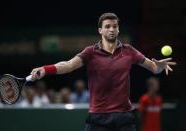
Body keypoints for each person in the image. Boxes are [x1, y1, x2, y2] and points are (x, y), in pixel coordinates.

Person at [30, 13, 176, 131]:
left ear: (118, 29)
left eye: (114, 26)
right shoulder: (90, 53)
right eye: (107, 27)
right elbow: (68, 65)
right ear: (100, 30)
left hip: (124, 117)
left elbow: (154, 68)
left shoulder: (129, 51)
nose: (111, 29)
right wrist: (45, 69)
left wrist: (160, 67)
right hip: (97, 118)